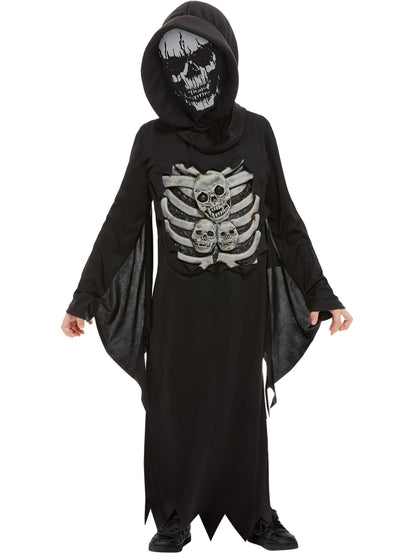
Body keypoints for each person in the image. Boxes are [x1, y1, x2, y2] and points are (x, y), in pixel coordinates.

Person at [61, 2, 353, 552]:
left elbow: (284, 219)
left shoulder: (258, 132)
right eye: (176, 66)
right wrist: (85, 296)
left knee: (243, 409)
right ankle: (174, 514)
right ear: (163, 74)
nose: (189, 76)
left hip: (242, 309)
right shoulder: (152, 140)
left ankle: (256, 513)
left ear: (223, 57)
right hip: (178, 311)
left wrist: (321, 291)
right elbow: (122, 223)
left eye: (200, 60)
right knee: (172, 408)